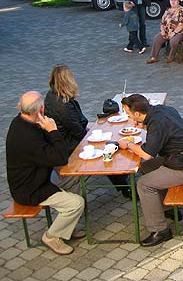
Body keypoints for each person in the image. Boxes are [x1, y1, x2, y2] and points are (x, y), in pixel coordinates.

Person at [118, 94, 183, 247]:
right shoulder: (161, 110)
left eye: (128, 113)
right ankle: (168, 209)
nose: (127, 116)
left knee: (144, 184)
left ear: (138, 114)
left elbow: (147, 154)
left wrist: (128, 145)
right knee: (145, 168)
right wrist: (142, 126)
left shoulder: (157, 123)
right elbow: (161, 136)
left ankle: (160, 230)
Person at [6, 91, 85, 255]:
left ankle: (67, 228)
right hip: (31, 189)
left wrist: (56, 166)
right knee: (76, 203)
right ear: (41, 110)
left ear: (20, 107)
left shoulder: (22, 121)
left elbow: (51, 155)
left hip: (38, 178)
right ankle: (52, 236)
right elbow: (61, 157)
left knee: (73, 179)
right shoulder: (27, 136)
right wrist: (53, 130)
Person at [44, 64, 131, 197]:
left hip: (65, 138)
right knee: (105, 146)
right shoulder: (63, 105)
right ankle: (125, 186)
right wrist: (96, 134)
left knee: (105, 133)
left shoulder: (52, 95)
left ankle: (123, 178)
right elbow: (78, 131)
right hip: (69, 144)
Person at [146, 0, 183, 64]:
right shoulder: (168, 10)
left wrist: (174, 33)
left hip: (180, 32)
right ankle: (154, 57)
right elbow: (162, 21)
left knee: (173, 41)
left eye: (175, 0)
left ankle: (171, 56)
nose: (173, 2)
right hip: (167, 31)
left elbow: (182, 24)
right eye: (171, 0)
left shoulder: (182, 11)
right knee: (157, 38)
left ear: (178, 2)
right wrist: (162, 30)